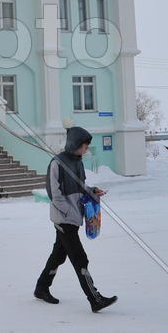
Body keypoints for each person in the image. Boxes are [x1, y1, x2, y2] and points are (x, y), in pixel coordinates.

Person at [34, 126, 116, 313]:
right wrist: (67, 212)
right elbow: (54, 193)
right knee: (80, 259)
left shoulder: (78, 162)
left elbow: (80, 187)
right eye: (85, 145)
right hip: (64, 219)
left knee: (59, 255)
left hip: (74, 217)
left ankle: (41, 287)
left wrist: (92, 190)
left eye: (87, 145)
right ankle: (95, 298)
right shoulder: (57, 163)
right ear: (75, 144)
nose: (86, 148)